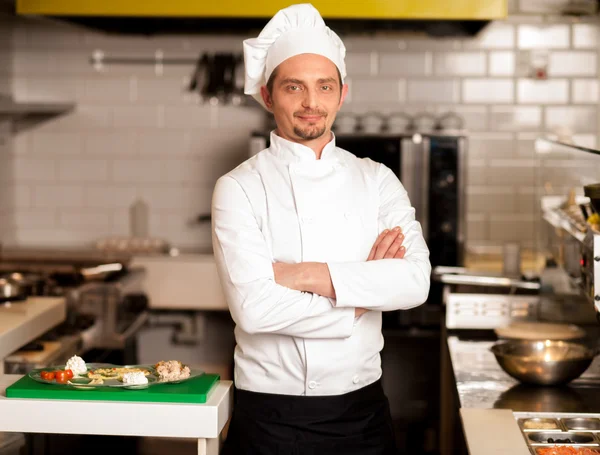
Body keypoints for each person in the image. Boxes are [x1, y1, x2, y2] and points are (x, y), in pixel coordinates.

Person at [211, 4, 431, 454]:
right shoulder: (238, 187)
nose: (312, 103)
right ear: (269, 96)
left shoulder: (376, 179)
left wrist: (300, 275)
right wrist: (356, 299)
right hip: (268, 416)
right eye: (294, 87)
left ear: (342, 93)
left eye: (324, 87)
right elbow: (254, 309)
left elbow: (414, 281)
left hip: (362, 413)